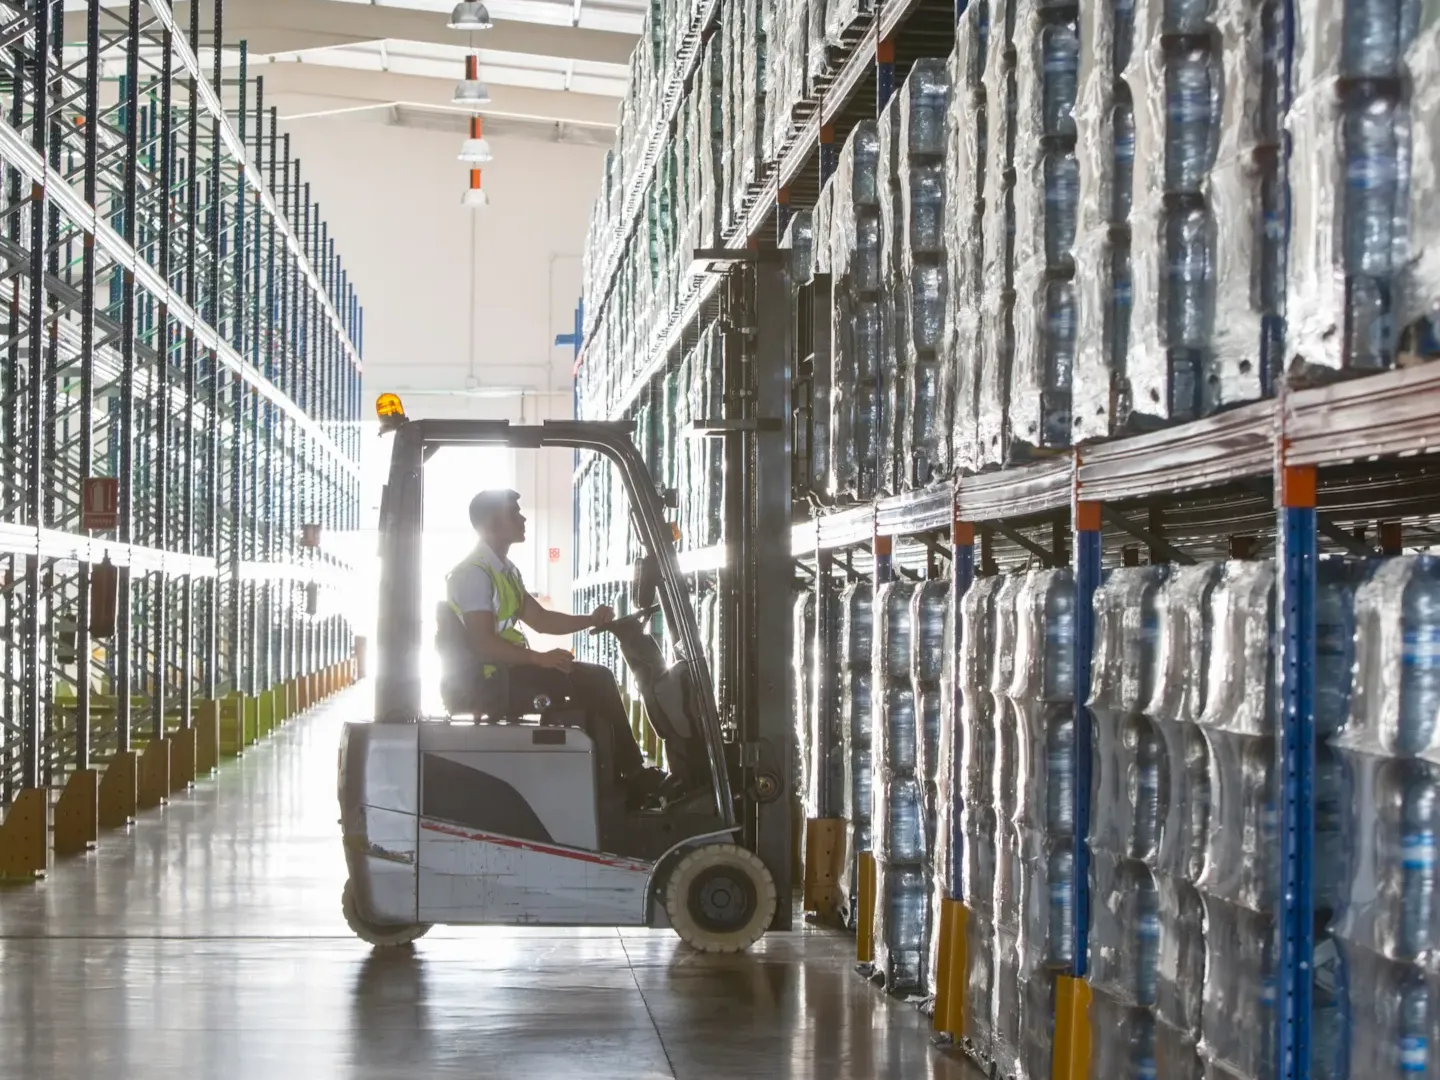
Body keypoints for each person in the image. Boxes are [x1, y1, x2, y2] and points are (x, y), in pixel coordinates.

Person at [443, 488, 678, 804]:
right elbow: (483, 644)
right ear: (492, 523)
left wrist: (591, 620)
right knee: (597, 679)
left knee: (592, 679)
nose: (522, 517)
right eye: (514, 512)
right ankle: (633, 775)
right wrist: (538, 659)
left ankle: (611, 780)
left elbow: (540, 619)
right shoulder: (474, 574)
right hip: (492, 679)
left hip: (508, 670)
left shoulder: (505, 570)